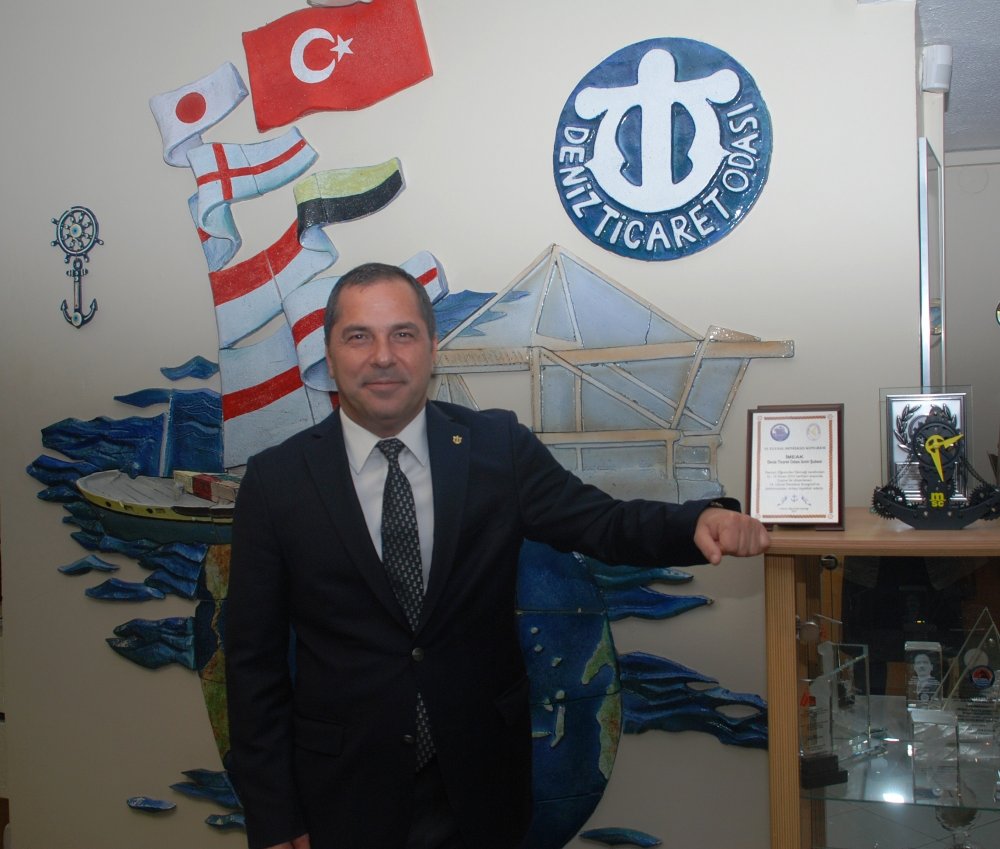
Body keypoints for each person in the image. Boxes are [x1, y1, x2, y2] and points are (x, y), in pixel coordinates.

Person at [225, 262, 771, 849]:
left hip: (481, 787)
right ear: (329, 357)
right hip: (340, 794)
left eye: (403, 334)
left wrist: (699, 521)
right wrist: (275, 815)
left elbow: (602, 522)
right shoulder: (276, 481)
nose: (383, 356)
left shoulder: (497, 448)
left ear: (432, 348)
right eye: (358, 336)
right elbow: (253, 663)